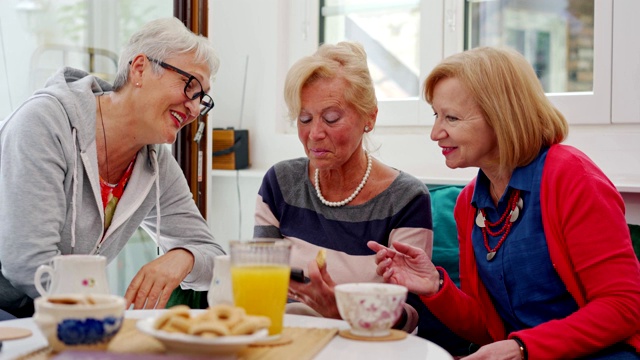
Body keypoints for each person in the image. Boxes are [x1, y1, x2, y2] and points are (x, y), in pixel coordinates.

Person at [368, 46, 640, 359]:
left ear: (501, 116)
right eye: (436, 115)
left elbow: (623, 306)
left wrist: (524, 348)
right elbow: (486, 329)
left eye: (451, 118)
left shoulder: (572, 176)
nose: (435, 133)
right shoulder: (469, 203)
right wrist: (434, 285)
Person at [0, 17, 225, 317]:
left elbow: (215, 258)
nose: (195, 109)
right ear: (140, 69)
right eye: (190, 86)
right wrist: (104, 314)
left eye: (202, 99)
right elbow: (27, 263)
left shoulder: (156, 165)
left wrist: (184, 257)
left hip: (47, 315)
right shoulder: (44, 123)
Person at [253, 41, 441, 338]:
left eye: (331, 118)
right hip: (284, 340)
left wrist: (340, 309)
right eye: (304, 119)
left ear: (370, 118)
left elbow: (409, 317)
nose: (314, 133)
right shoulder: (280, 183)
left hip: (365, 346)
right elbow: (259, 285)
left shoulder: (406, 198)